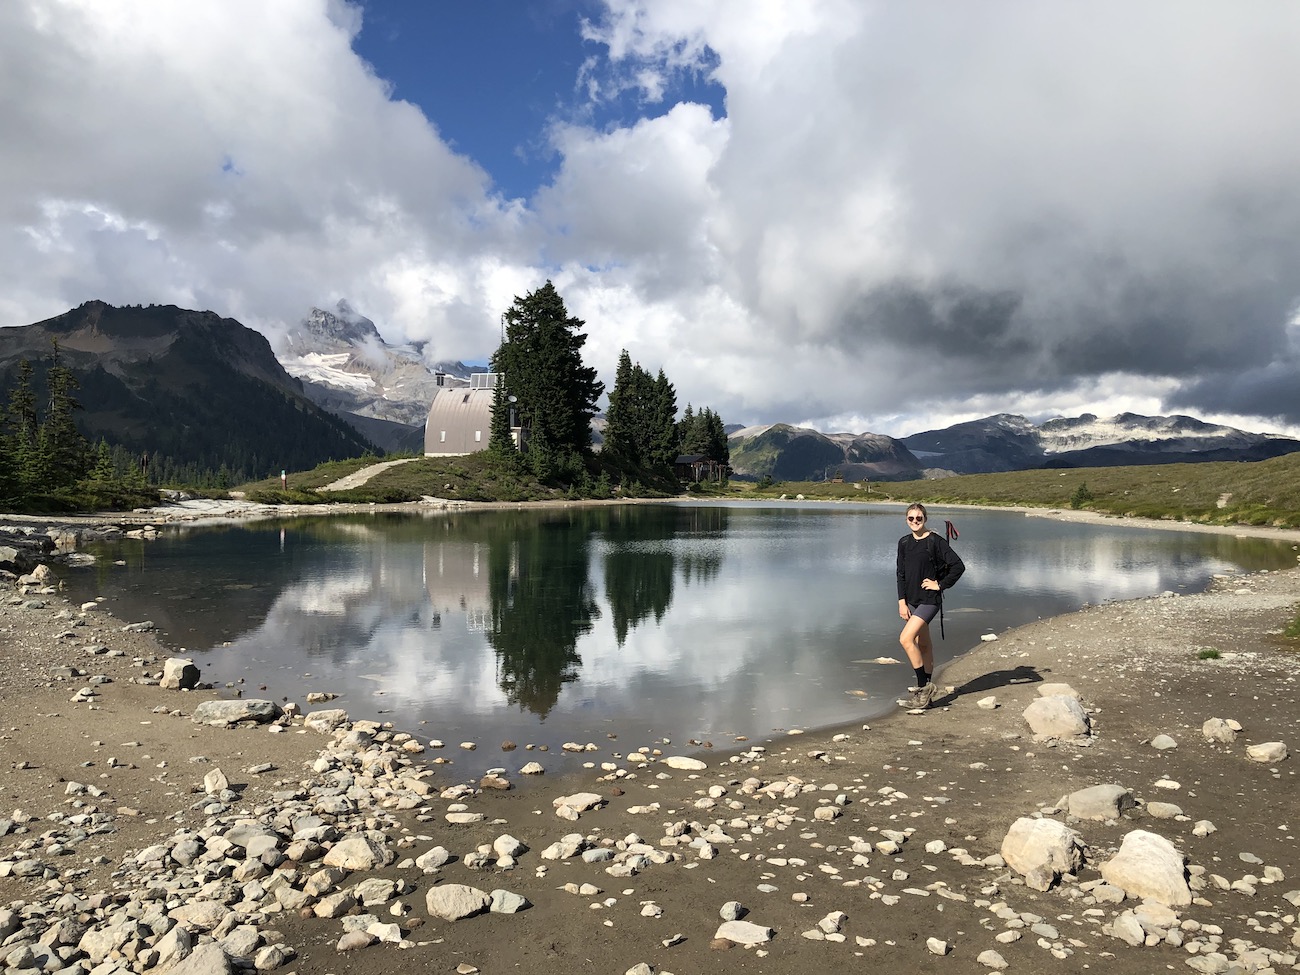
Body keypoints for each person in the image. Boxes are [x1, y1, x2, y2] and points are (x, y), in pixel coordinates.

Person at [896, 502, 965, 709]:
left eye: (919, 518)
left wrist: (940, 585)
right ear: (906, 520)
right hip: (912, 601)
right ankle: (926, 697)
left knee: (905, 639)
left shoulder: (935, 541)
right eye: (911, 518)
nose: (915, 522)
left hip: (929, 600)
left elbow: (958, 566)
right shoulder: (904, 542)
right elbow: (901, 573)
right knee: (923, 644)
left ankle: (922, 688)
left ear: (925, 519)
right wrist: (902, 602)